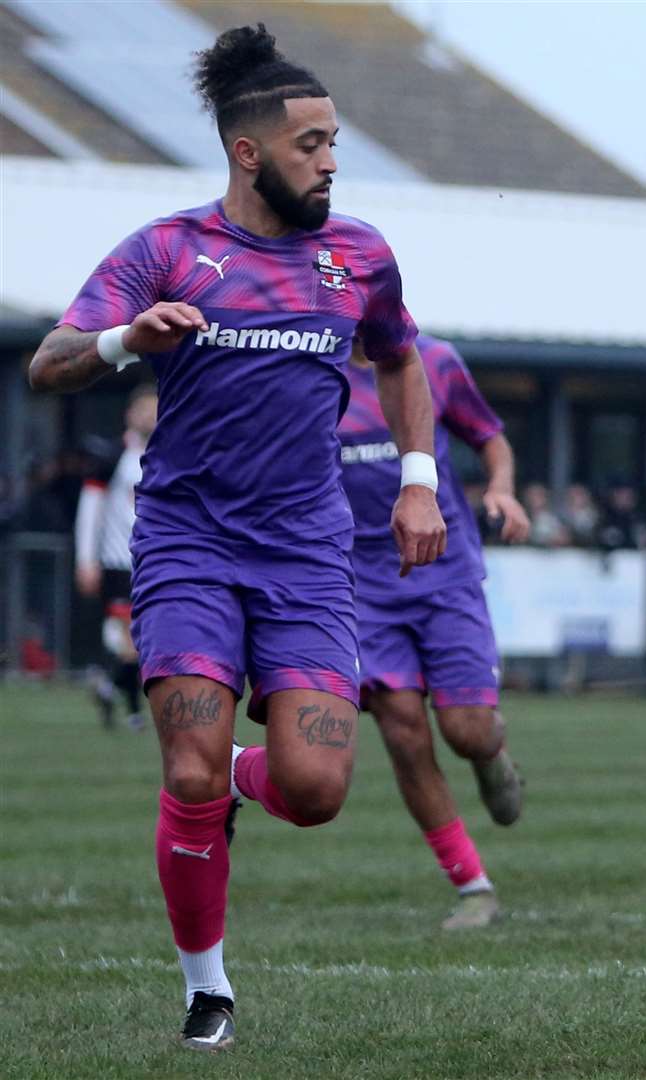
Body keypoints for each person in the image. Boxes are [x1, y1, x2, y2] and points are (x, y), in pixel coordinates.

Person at [27, 24, 446, 1051]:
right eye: (312, 143)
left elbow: (399, 361)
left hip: (307, 553)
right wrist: (129, 340)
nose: (332, 159)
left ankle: (239, 784)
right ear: (250, 152)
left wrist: (419, 481)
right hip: (188, 545)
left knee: (315, 792)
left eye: (337, 140)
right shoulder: (168, 250)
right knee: (186, 772)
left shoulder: (360, 258)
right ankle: (205, 990)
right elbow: (49, 361)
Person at [338, 335, 529, 929]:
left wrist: (500, 487)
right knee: (403, 731)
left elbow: (489, 438)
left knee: (465, 731)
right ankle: (474, 886)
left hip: (445, 575)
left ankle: (490, 752)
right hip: (361, 586)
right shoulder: (310, 366)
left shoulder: (436, 362)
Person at [76, 384, 157, 732]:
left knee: (144, 642)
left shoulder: (171, 454)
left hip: (156, 563)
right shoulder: (112, 456)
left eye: (157, 409)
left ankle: (110, 690)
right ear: (129, 414)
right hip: (118, 562)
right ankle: (136, 713)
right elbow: (90, 511)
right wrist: (86, 559)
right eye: (144, 409)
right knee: (131, 643)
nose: (150, 417)